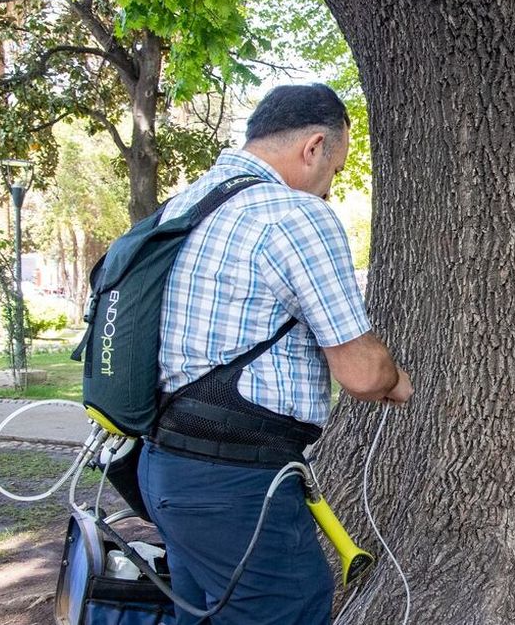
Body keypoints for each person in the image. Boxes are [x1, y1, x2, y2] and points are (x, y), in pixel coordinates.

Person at [137, 83, 412, 625]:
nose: (330, 190)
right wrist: (399, 380)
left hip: (164, 469)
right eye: (334, 171)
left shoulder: (187, 204)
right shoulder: (294, 215)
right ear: (313, 146)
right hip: (236, 485)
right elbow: (360, 373)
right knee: (289, 609)